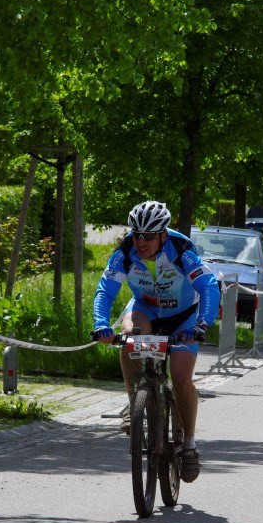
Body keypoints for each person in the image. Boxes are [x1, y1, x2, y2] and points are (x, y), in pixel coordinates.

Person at [91, 201, 220, 483]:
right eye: (137, 234)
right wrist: (101, 324)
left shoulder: (181, 251)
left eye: (148, 236)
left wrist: (202, 324)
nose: (141, 242)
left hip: (184, 316)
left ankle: (189, 445)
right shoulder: (125, 251)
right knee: (130, 339)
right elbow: (106, 291)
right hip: (146, 309)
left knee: (182, 377)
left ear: (163, 234)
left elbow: (208, 286)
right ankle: (134, 403)